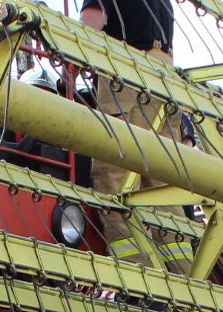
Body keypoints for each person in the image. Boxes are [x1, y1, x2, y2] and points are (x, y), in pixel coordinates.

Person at [79, 0, 192, 273]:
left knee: (114, 176)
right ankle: (184, 277)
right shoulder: (165, 4)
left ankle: (135, 275)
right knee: (163, 185)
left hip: (125, 72)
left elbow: (87, 29)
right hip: (165, 82)